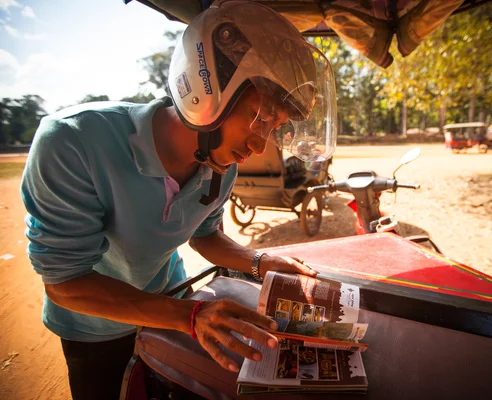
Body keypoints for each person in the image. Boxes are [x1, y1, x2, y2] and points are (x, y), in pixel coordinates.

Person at [20, 1, 337, 399]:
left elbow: (205, 235)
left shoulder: (223, 164)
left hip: (174, 302)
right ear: (208, 92)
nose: (259, 145)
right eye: (260, 117)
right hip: (94, 326)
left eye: (274, 128)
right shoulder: (72, 142)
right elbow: (65, 283)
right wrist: (190, 316)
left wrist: (259, 261)